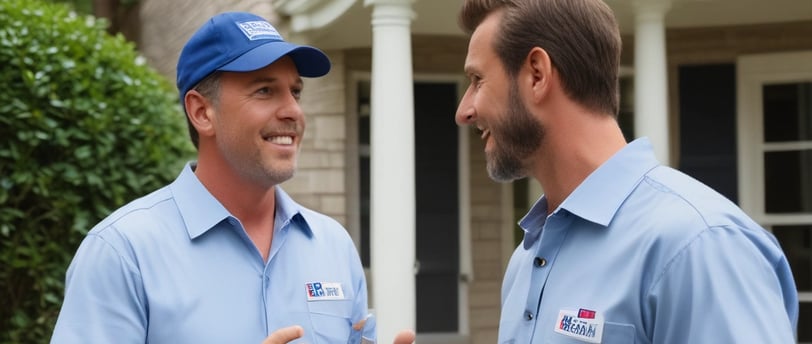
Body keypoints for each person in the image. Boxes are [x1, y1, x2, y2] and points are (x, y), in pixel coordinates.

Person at [51, 11, 414, 344]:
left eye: (296, 92)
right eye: (265, 90)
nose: (293, 111)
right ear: (201, 112)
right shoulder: (122, 253)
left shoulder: (333, 245)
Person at [455, 0, 799, 343]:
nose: (464, 111)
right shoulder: (525, 263)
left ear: (537, 74)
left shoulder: (700, 245)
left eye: (477, 79)